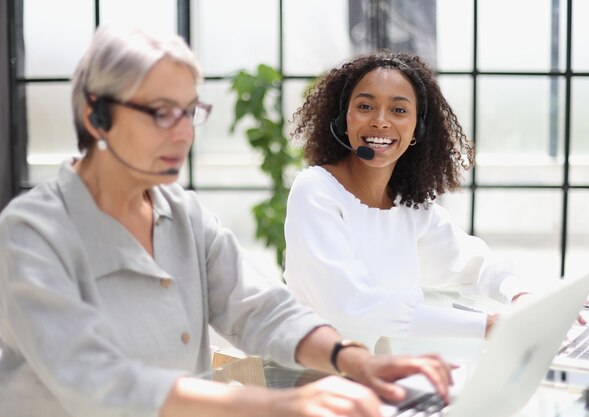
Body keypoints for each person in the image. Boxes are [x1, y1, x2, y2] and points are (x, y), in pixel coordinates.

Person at [0, 27, 454, 417]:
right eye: (161, 113)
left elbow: (260, 308)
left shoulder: (184, 216)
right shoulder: (32, 234)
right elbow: (95, 379)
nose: (182, 133)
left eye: (189, 111)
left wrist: (354, 360)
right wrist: (273, 405)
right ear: (95, 115)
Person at [284, 50, 530, 345]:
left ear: (418, 129)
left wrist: (521, 295)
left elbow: (474, 265)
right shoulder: (315, 191)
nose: (381, 121)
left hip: (393, 373)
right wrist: (485, 326)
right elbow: (353, 308)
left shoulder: (409, 206)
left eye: (399, 110)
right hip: (320, 379)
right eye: (365, 106)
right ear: (342, 119)